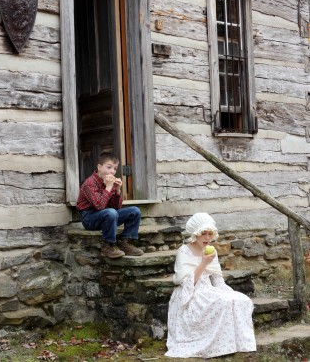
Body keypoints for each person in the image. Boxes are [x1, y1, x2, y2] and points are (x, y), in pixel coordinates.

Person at [165, 212, 256, 359]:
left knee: (241, 300)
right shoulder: (184, 251)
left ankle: (238, 344)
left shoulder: (211, 250)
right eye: (204, 234)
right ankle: (218, 345)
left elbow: (218, 282)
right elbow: (186, 283)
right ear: (195, 234)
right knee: (223, 302)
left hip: (208, 290)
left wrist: (229, 293)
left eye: (210, 234)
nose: (207, 238)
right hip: (191, 294)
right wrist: (203, 263)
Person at [76, 152, 144, 259]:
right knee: (110, 212)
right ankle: (108, 246)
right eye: (109, 167)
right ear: (99, 167)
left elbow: (116, 208)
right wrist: (108, 187)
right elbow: (99, 206)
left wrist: (117, 190)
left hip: (106, 215)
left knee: (135, 211)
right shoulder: (89, 183)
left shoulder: (109, 183)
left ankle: (125, 242)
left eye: (115, 168)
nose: (112, 171)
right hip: (89, 218)